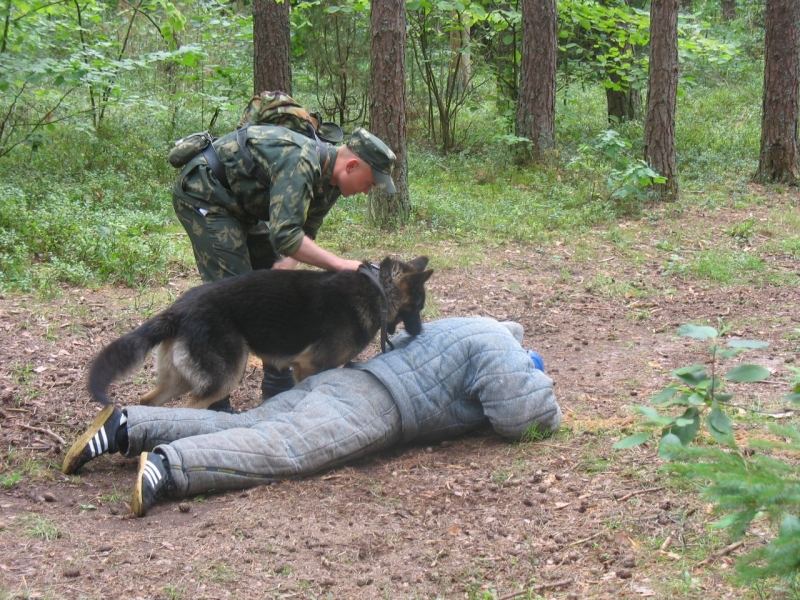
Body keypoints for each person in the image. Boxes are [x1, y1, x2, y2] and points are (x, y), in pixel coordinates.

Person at [62, 317, 562, 518]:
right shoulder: (500, 345)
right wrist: (539, 379)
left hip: (339, 382)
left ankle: (127, 426)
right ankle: (172, 467)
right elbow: (521, 417)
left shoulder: (464, 326)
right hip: (376, 407)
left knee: (248, 424)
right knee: (285, 449)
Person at [172, 124, 397, 407]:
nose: (367, 191)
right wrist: (341, 264)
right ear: (352, 165)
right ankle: (215, 407)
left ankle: (278, 389)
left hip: (246, 206)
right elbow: (285, 235)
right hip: (207, 193)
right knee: (237, 290)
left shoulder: (332, 182)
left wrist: (286, 263)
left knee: (272, 288)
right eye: (370, 183)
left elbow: (306, 228)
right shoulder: (300, 162)